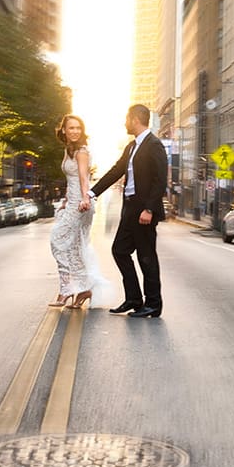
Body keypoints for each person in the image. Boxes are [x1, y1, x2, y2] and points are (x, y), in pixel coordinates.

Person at [91, 104, 169, 317]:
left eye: (127, 119)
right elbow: (115, 171)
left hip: (144, 210)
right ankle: (134, 298)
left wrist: (150, 209)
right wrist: (92, 192)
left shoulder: (154, 145)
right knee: (119, 250)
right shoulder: (131, 147)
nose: (124, 123)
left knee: (146, 257)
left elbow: (160, 180)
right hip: (130, 208)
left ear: (135, 119)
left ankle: (153, 303)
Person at [48, 115, 116, 309]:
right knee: (75, 247)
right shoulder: (69, 151)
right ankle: (84, 289)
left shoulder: (81, 152)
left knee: (58, 240)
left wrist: (85, 198)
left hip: (81, 204)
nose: (75, 131)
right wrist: (67, 199)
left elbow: (84, 179)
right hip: (72, 202)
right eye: (71, 128)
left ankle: (66, 289)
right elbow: (71, 181)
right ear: (64, 131)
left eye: (78, 128)